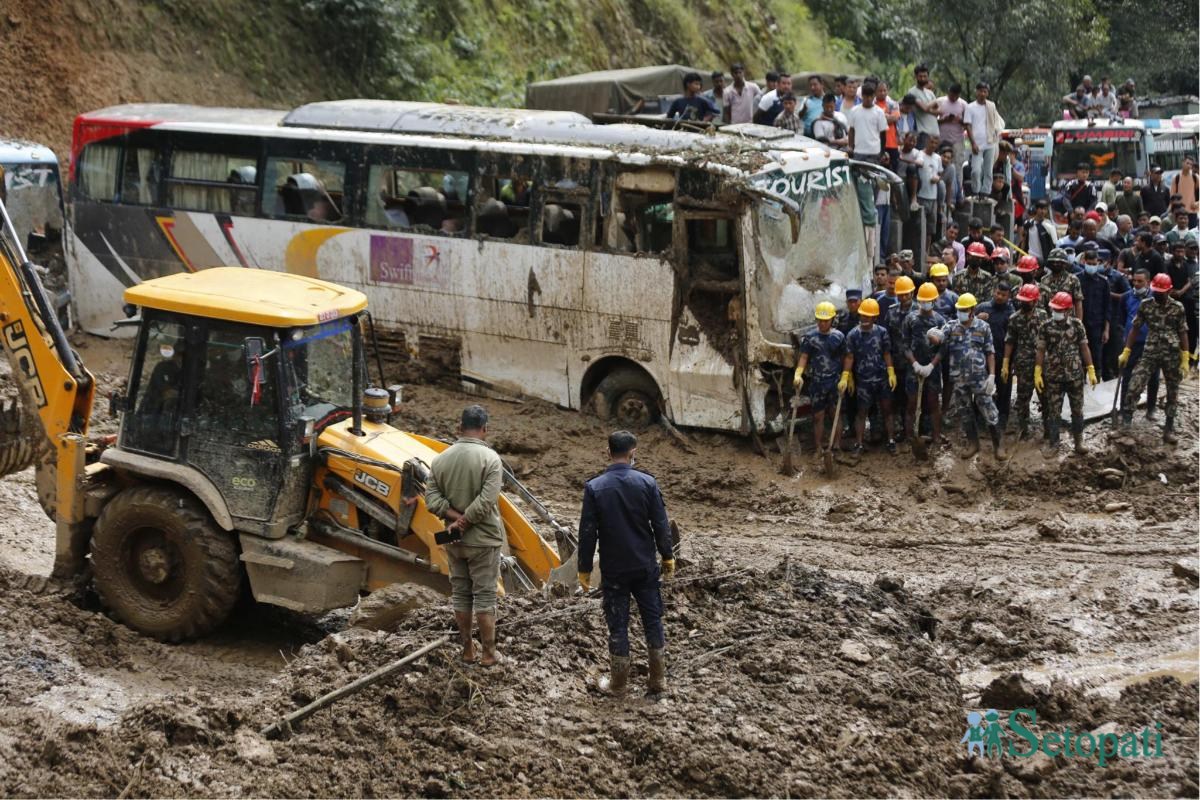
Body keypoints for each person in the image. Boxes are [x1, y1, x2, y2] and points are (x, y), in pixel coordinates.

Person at [577, 430, 674, 696]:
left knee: (617, 623)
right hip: (645, 566)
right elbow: (660, 524)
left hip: (615, 569)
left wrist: (584, 568)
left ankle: (619, 684)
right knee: (653, 620)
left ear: (608, 453)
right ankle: (658, 681)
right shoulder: (647, 483)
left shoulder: (595, 488)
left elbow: (587, 533)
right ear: (633, 453)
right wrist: (667, 555)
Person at [424, 405, 505, 667]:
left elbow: (431, 500)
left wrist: (456, 522)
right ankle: (489, 653)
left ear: (459, 428)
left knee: (460, 594)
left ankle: (468, 650)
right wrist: (466, 521)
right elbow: (486, 501)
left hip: (454, 540)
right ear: (484, 429)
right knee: (484, 596)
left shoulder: (440, 459)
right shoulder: (491, 459)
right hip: (483, 540)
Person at [933, 292, 1006, 459]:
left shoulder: (983, 327)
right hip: (959, 379)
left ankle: (998, 446)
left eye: (965, 309)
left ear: (972, 310)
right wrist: (933, 334)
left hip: (979, 378)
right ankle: (973, 443)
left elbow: (990, 352)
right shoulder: (951, 326)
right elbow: (938, 338)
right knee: (965, 412)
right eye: (959, 309)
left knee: (990, 411)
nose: (961, 312)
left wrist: (992, 375)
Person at [1118, 273, 1189, 443]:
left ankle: (1169, 429)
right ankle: (1126, 424)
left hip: (1171, 354)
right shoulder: (1146, 305)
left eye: (1161, 292)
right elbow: (1135, 328)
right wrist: (1127, 350)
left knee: (1172, 392)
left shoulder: (1177, 308)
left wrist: (1185, 356)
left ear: (1169, 290)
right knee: (1134, 385)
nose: (1157, 294)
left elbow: (1183, 332)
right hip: (1150, 352)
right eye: (1155, 291)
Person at [1035, 291, 1098, 454]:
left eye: (1059, 310)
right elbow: (1041, 349)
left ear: (1068, 310)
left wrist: (1091, 369)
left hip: (1075, 375)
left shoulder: (1077, 325)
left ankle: (1078, 442)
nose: (1055, 312)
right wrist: (1038, 370)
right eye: (1054, 309)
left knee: (1077, 410)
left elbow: (1084, 347)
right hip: (1054, 376)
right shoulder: (1046, 326)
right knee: (1054, 410)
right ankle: (1054, 443)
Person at [841, 297, 897, 455]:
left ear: (875, 317)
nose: (864, 318)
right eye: (862, 315)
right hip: (863, 380)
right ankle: (859, 444)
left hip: (882, 378)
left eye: (868, 316)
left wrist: (891, 372)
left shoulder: (882, 332)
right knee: (862, 412)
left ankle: (891, 440)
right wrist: (846, 376)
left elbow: (886, 353)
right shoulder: (853, 335)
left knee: (887, 410)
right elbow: (850, 357)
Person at [794, 302, 847, 456]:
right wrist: (798, 373)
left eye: (826, 320)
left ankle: (836, 445)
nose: (823, 324)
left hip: (835, 381)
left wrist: (846, 377)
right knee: (818, 416)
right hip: (817, 382)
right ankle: (818, 447)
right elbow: (804, 357)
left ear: (832, 320)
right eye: (820, 320)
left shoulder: (839, 337)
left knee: (835, 413)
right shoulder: (810, 337)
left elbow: (846, 357)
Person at [1004, 283, 1050, 440]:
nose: (1024, 303)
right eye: (1022, 300)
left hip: (1043, 362)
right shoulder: (1014, 318)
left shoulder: (1044, 316)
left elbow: (1050, 338)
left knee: (1045, 396)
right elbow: (1010, 341)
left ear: (1035, 301)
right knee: (1023, 397)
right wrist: (1006, 362)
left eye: (1027, 301)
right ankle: (1024, 429)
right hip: (1023, 362)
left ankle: (1048, 430)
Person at [904, 282, 948, 445]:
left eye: (928, 300)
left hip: (933, 370)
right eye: (922, 300)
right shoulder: (910, 318)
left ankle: (936, 436)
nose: (925, 303)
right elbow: (905, 345)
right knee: (912, 403)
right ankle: (910, 437)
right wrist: (915, 363)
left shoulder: (940, 320)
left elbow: (944, 348)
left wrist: (931, 366)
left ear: (935, 300)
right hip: (913, 369)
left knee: (933, 403)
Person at [976, 283, 1015, 429]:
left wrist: (1010, 360)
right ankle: (979, 417)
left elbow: (1013, 338)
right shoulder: (982, 308)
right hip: (982, 357)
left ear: (1008, 296)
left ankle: (1002, 418)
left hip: (1003, 356)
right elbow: (967, 325)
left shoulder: (1011, 313)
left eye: (1003, 295)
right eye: (997, 293)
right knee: (981, 388)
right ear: (993, 292)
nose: (999, 297)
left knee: (1004, 387)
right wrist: (977, 319)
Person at [884, 275, 916, 438]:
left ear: (912, 293)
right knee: (897, 397)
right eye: (900, 294)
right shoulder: (891, 312)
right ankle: (898, 430)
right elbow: (887, 337)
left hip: (913, 363)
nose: (903, 297)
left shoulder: (919, 311)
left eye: (906, 294)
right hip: (896, 362)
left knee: (912, 398)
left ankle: (911, 431)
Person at [963, 82, 1002, 196]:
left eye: (985, 91)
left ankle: (985, 192)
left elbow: (996, 123)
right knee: (976, 171)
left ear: (987, 93)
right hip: (977, 144)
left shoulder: (991, 106)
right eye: (981, 91)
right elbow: (968, 126)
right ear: (977, 91)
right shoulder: (970, 107)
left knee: (988, 171)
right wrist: (973, 143)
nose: (982, 94)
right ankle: (976, 191)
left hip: (990, 143)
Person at [936, 83, 968, 208]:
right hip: (941, 139)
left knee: (957, 168)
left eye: (956, 96)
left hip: (957, 140)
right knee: (940, 166)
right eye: (952, 95)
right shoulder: (940, 101)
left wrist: (960, 120)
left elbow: (968, 124)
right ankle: (942, 194)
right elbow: (932, 118)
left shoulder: (963, 104)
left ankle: (957, 195)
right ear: (948, 91)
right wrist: (944, 119)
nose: (953, 97)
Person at [847, 81, 889, 165]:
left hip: (874, 152)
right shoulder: (854, 111)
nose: (869, 98)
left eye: (871, 96)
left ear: (874, 96)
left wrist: (882, 152)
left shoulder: (879, 112)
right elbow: (851, 130)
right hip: (858, 151)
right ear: (862, 96)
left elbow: (883, 134)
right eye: (866, 96)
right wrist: (851, 147)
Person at [1041, 248, 1083, 318]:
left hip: (1068, 321)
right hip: (1050, 321)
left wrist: (1079, 322)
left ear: (1064, 263)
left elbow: (1078, 303)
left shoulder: (1073, 280)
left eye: (1058, 262)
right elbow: (1042, 303)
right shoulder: (1044, 280)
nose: (1055, 264)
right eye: (1053, 262)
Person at [906, 64, 939, 148]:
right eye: (920, 76)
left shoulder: (930, 93)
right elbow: (924, 108)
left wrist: (928, 109)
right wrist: (935, 101)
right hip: (923, 133)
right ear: (916, 77)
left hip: (935, 132)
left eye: (925, 76)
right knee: (923, 159)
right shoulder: (912, 92)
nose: (923, 78)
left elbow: (939, 111)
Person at [1171, 156, 1199, 227]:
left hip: (1192, 211)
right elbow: (1172, 196)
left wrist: (1197, 203)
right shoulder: (1176, 178)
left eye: (1191, 164)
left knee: (1192, 234)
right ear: (1182, 163)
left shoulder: (1195, 177)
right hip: (1179, 212)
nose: (1189, 166)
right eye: (1187, 163)